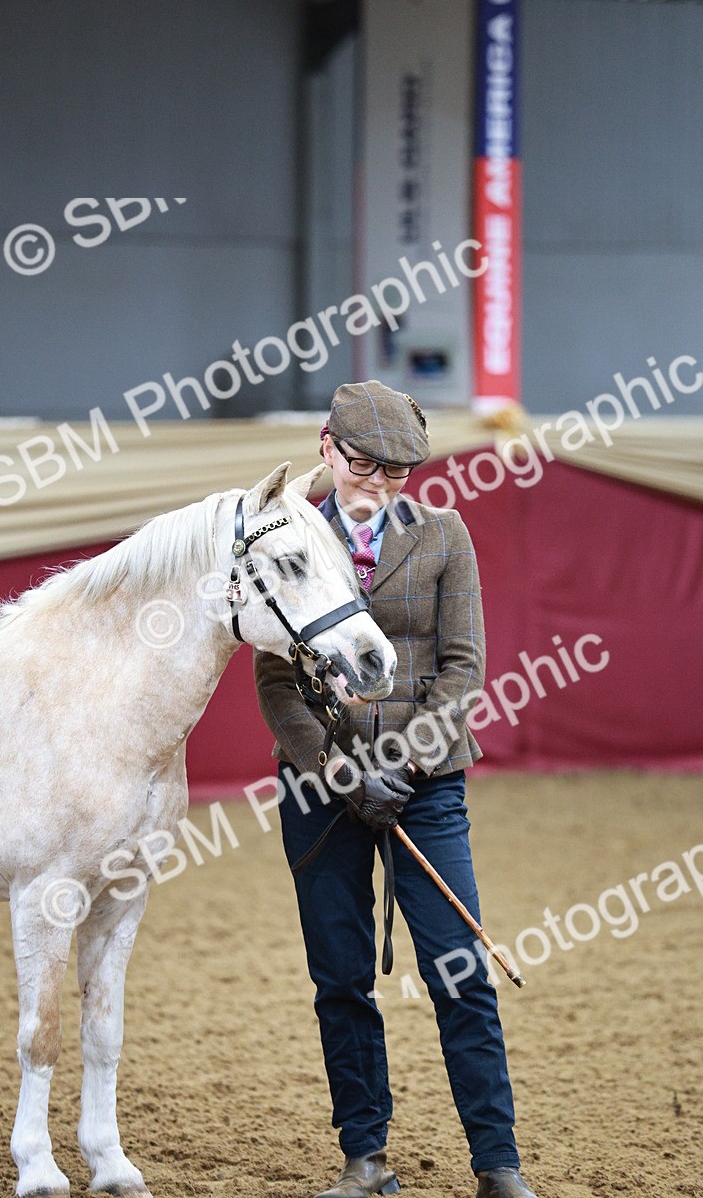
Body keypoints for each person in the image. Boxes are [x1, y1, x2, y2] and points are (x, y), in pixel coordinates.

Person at [253, 381, 538, 1198]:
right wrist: (341, 772)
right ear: (325, 446)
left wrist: (405, 766)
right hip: (323, 790)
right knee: (340, 978)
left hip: (428, 782)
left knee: (458, 971)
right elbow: (276, 684)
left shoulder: (446, 537)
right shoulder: (290, 537)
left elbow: (463, 668)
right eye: (362, 463)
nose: (375, 483)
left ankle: (497, 1163)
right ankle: (365, 1158)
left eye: (396, 471)